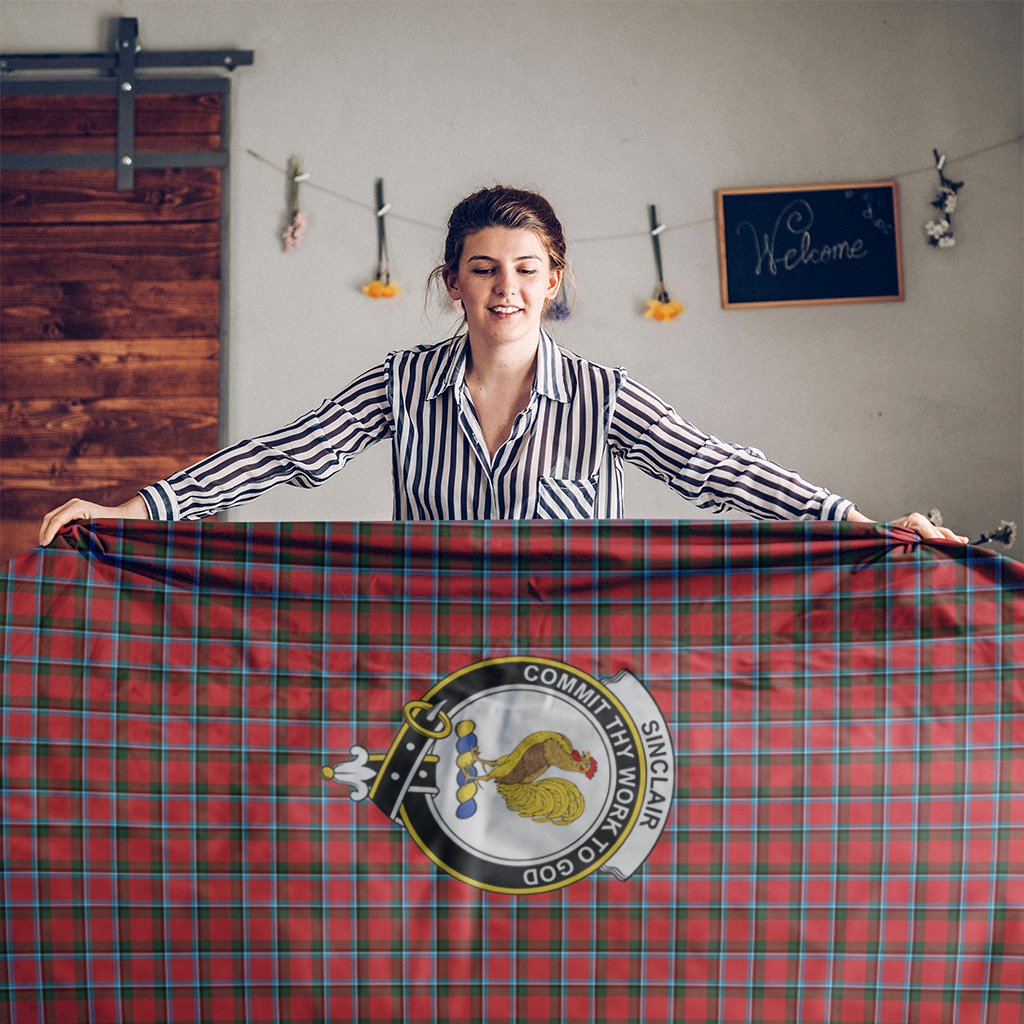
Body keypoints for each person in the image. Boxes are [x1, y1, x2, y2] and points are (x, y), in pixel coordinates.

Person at [38, 186, 969, 546]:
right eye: (484, 270)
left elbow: (718, 467)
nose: (506, 289)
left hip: (575, 667)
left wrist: (856, 521)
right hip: (430, 659)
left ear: (554, 281)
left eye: (527, 271)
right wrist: (137, 510)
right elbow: (284, 456)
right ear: (453, 283)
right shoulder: (401, 382)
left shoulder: (604, 397)